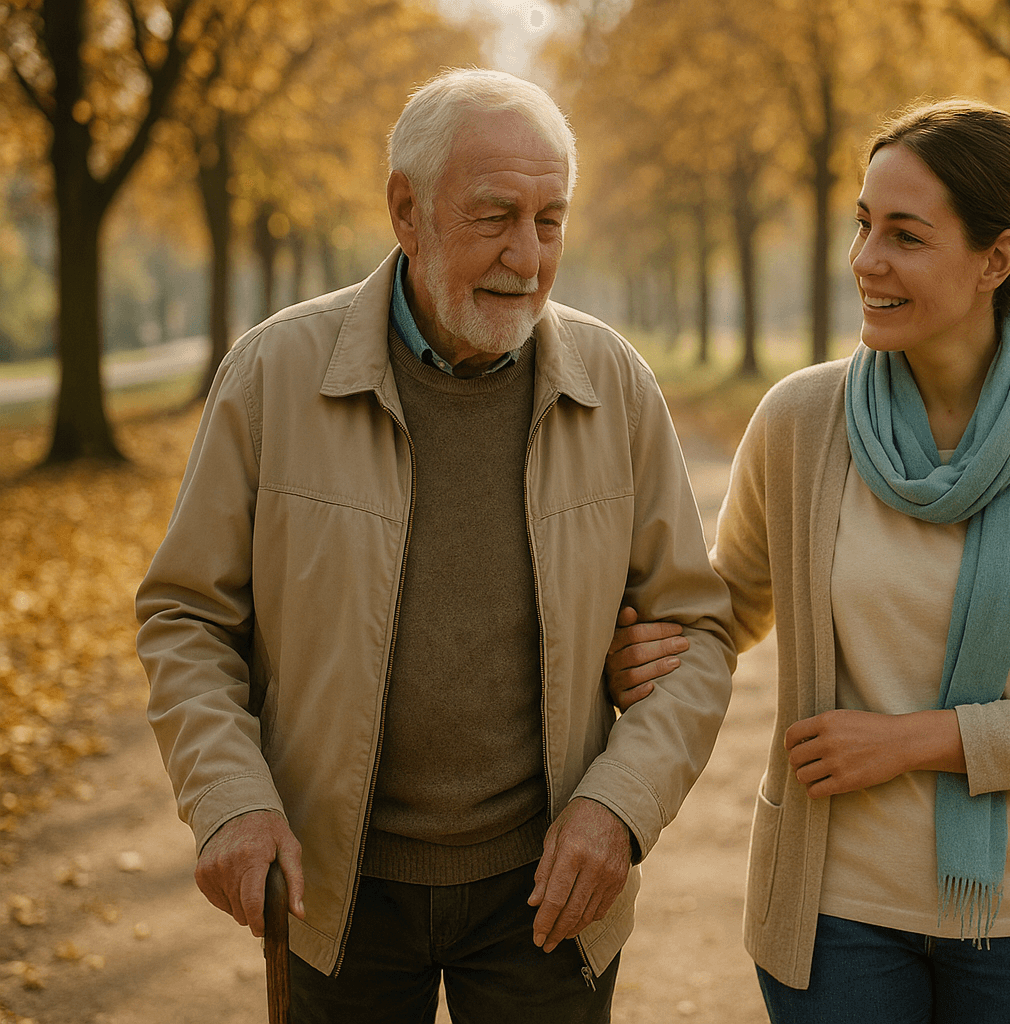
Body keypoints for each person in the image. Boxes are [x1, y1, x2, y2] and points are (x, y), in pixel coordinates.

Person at [136, 68, 736, 1024]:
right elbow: (187, 617)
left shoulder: (615, 383)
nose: (527, 257)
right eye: (494, 215)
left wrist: (619, 807)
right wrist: (230, 801)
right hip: (337, 887)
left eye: (550, 221)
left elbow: (698, 634)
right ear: (405, 210)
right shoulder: (274, 373)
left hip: (549, 890)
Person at [606, 99, 1010, 1022]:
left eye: (905, 235)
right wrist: (651, 653)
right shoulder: (801, 422)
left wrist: (911, 743)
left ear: (997, 259)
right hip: (834, 918)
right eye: (863, 225)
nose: (867, 260)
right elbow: (724, 611)